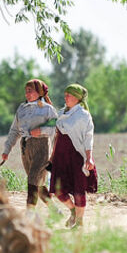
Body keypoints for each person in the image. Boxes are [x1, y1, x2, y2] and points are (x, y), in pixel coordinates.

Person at [2, 79, 58, 209]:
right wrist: (7, 149)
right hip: (25, 147)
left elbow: (56, 127)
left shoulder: (47, 109)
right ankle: (54, 210)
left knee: (32, 179)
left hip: (42, 146)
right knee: (37, 183)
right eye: (26, 91)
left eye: (30, 91)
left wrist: (41, 130)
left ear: (39, 92)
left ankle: (29, 213)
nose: (27, 94)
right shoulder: (22, 109)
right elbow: (15, 130)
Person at [49, 83, 98, 228]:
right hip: (61, 156)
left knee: (78, 190)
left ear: (77, 98)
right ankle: (72, 211)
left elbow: (89, 137)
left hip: (77, 156)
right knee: (58, 190)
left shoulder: (83, 115)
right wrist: (52, 155)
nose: (66, 97)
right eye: (65, 94)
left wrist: (89, 157)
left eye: (69, 94)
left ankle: (80, 223)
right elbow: (56, 134)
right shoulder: (62, 112)